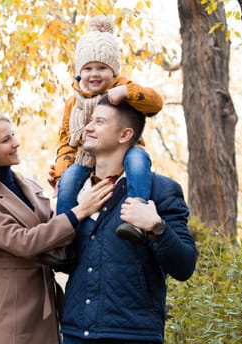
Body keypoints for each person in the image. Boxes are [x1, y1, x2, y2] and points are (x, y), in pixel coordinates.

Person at [0, 110, 114, 344]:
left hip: (40, 297)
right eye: (5, 140)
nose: (16, 143)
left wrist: (63, 196)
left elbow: (50, 227)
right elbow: (23, 241)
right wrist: (79, 211)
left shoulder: (24, 184)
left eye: (13, 135)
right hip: (8, 307)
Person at [59, 97, 198, 344]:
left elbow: (185, 266)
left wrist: (156, 227)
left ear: (125, 134)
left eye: (99, 122)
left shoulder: (161, 190)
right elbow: (66, 263)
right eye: (90, 121)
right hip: (75, 336)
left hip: (133, 338)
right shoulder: (73, 191)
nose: (88, 127)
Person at [54, 15, 164, 240]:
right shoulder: (73, 102)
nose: (94, 74)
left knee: (138, 160)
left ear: (113, 70)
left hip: (123, 151)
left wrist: (127, 93)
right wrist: (59, 173)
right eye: (88, 68)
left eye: (102, 67)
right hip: (84, 156)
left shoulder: (124, 88)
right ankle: (63, 238)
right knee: (67, 183)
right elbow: (66, 139)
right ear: (79, 72)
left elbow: (155, 103)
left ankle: (135, 217)